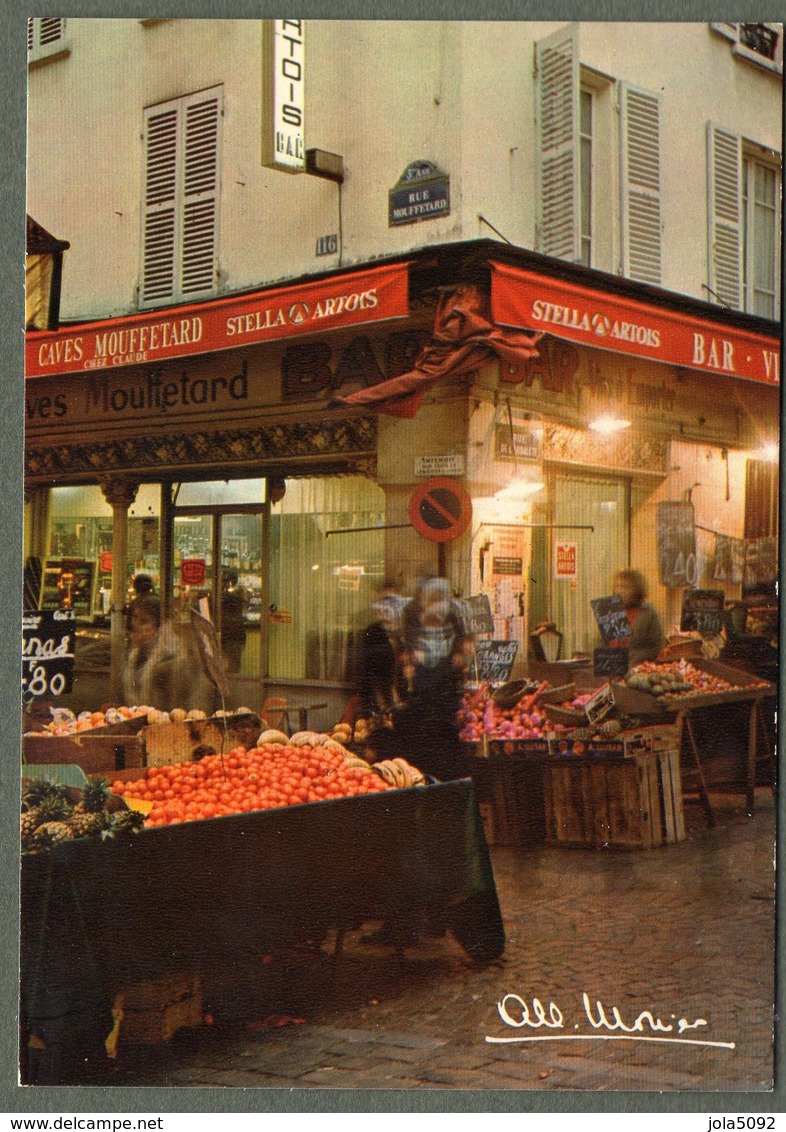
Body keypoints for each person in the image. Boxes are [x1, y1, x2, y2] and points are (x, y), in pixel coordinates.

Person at [392, 576, 473, 783]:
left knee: (444, 739)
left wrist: (459, 653)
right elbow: (403, 643)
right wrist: (408, 660)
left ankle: (444, 778)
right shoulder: (411, 613)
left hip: (444, 689)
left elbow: (463, 638)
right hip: (421, 688)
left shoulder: (452, 612)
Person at [123, 596, 214, 713]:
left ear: (159, 627)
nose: (136, 626)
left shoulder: (172, 654)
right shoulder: (136, 655)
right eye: (134, 619)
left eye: (144, 621)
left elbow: (186, 703)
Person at [611, 569, 665, 667]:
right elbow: (601, 643)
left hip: (638, 668)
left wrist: (635, 657)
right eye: (617, 586)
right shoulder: (611, 611)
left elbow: (656, 646)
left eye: (625, 587)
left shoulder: (649, 613)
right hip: (611, 667)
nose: (620, 591)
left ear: (636, 590)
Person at [220, 569, 248, 673]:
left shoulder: (233, 598)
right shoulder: (235, 597)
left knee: (231, 667)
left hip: (231, 636)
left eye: (226, 582)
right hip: (231, 636)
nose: (224, 584)